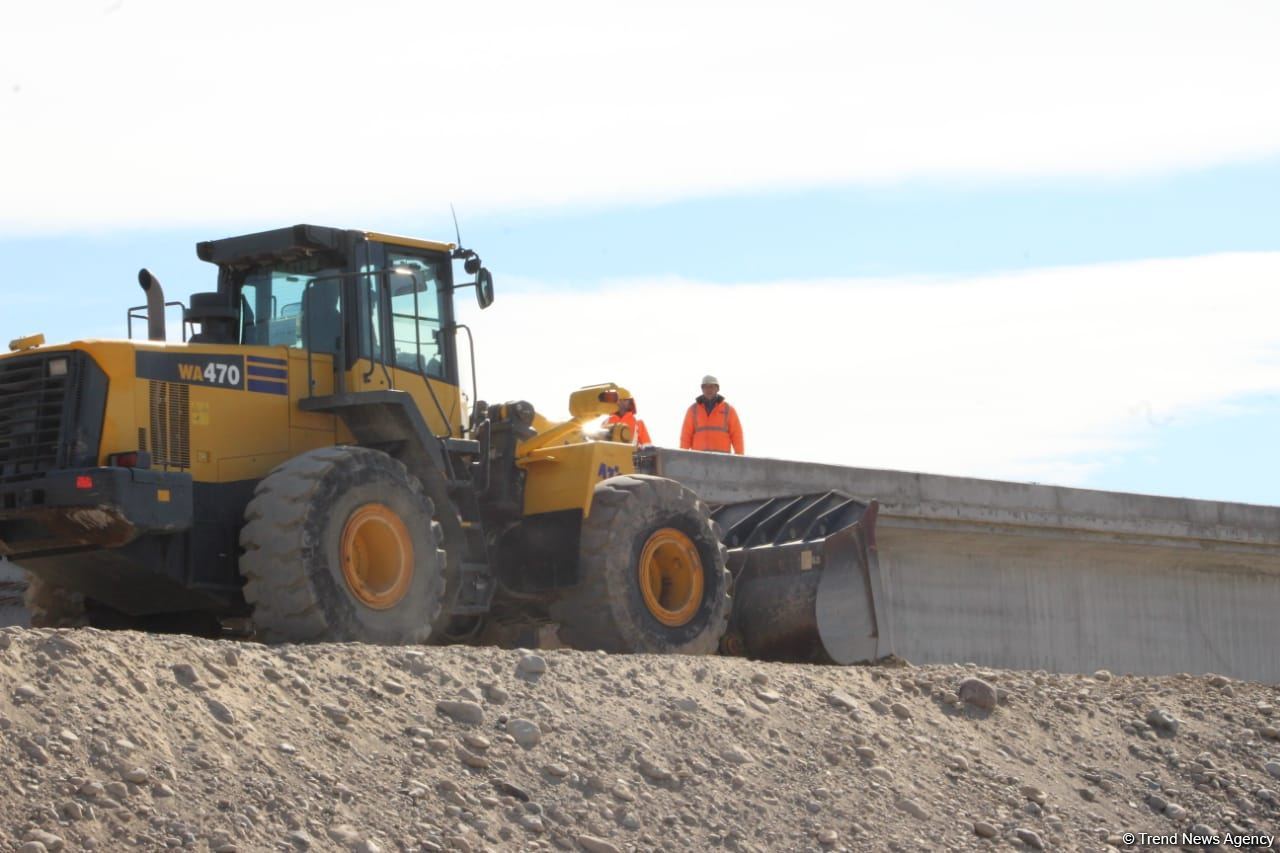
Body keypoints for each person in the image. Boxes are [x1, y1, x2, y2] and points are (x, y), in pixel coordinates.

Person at [680, 375, 743, 454]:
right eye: (705, 387)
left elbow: (737, 435)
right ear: (702, 389)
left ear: (717, 388)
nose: (708, 389)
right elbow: (685, 436)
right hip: (699, 458)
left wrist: (740, 456)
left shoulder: (729, 410)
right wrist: (682, 456)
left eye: (711, 386)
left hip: (722, 458)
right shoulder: (693, 410)